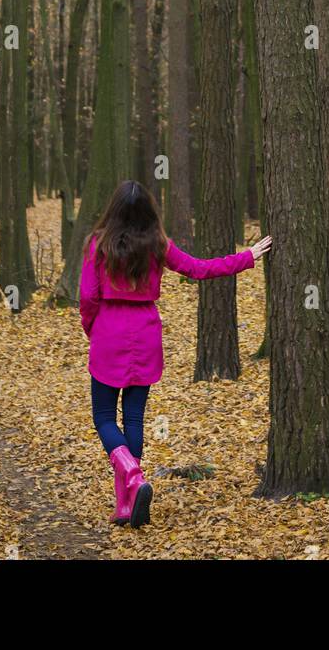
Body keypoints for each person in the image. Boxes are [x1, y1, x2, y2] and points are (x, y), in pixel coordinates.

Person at [79, 179, 272, 529]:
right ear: (149, 211)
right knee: (134, 419)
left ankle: (132, 481)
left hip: (109, 331)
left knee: (105, 417)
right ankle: (126, 504)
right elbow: (198, 269)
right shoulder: (157, 245)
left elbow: (88, 296)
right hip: (145, 333)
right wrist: (246, 257)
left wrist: (92, 328)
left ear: (114, 209)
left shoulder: (99, 244)